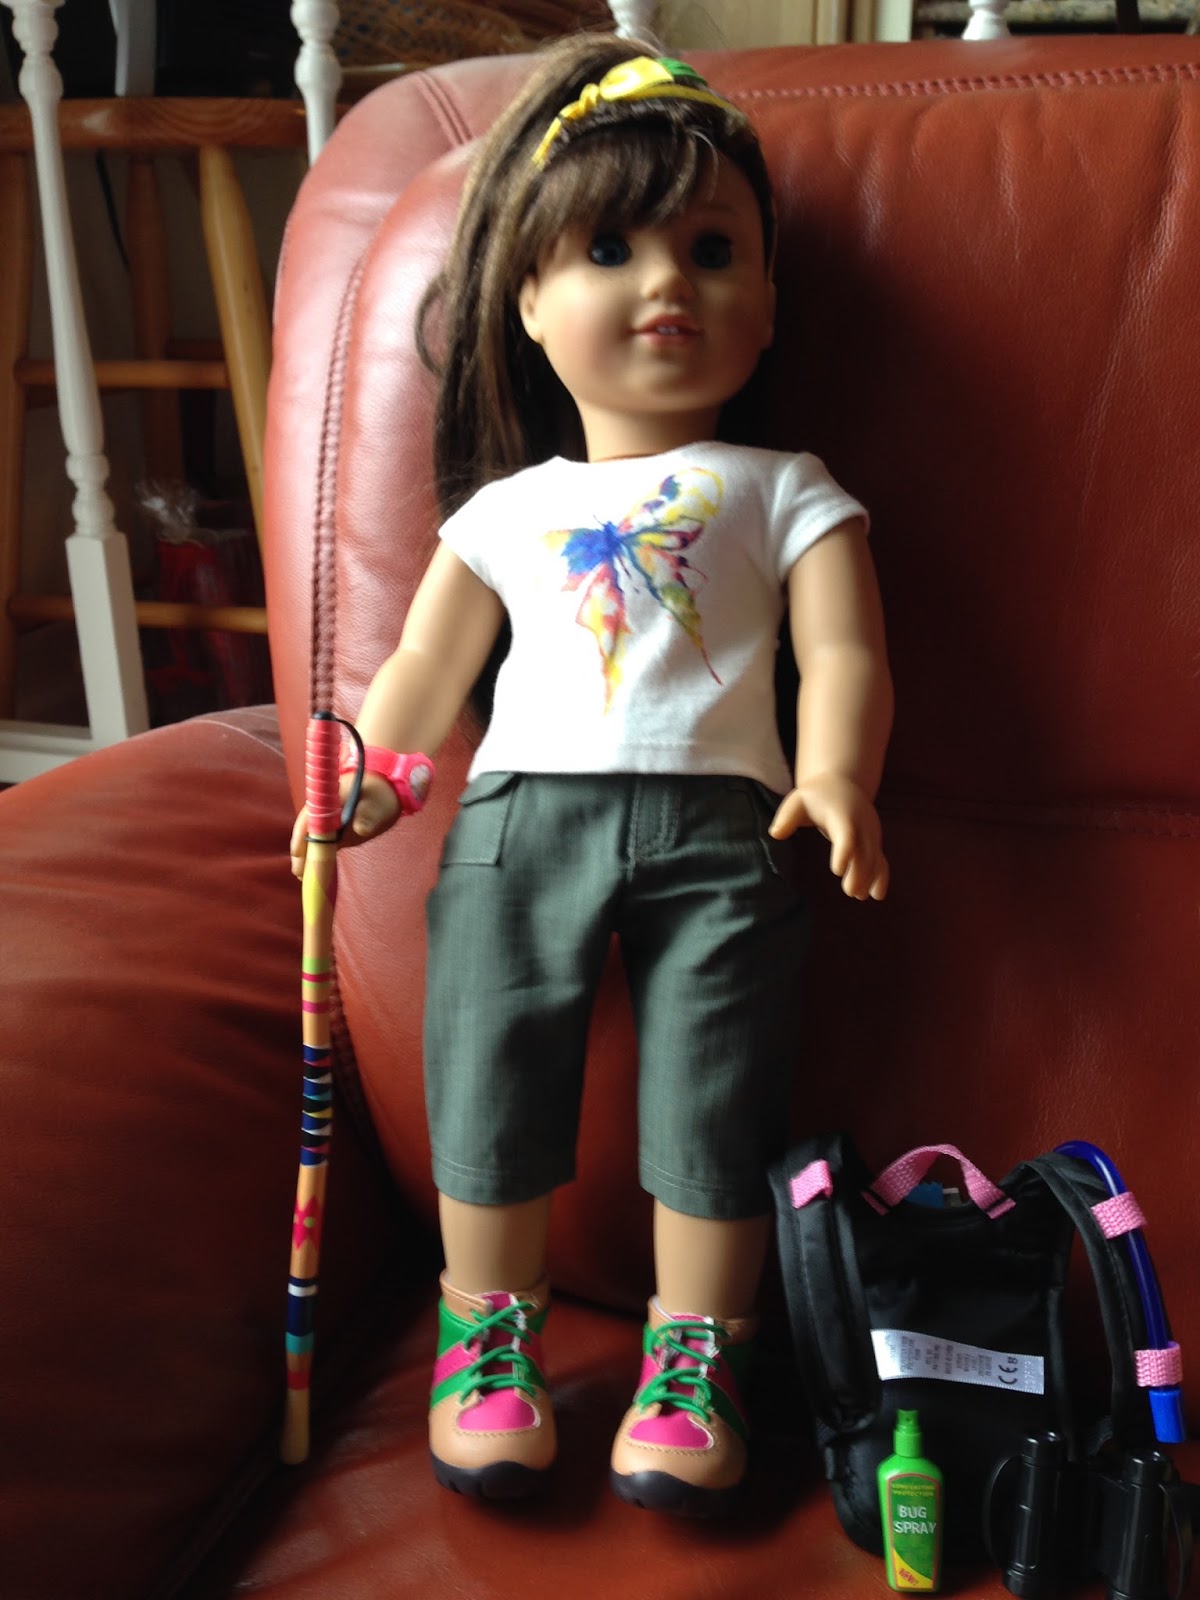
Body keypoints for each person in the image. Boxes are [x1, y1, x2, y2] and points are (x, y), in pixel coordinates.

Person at [289, 36, 893, 1516]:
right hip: (521, 820)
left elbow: (845, 652)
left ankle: (699, 1355)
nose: (667, 282)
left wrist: (838, 774)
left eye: (713, 251)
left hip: (732, 827)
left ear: (768, 306)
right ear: (528, 302)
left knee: (716, 1083)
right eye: (611, 250)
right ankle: (485, 1337)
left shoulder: (786, 488)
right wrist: (384, 776)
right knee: (490, 1059)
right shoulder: (509, 508)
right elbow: (426, 664)